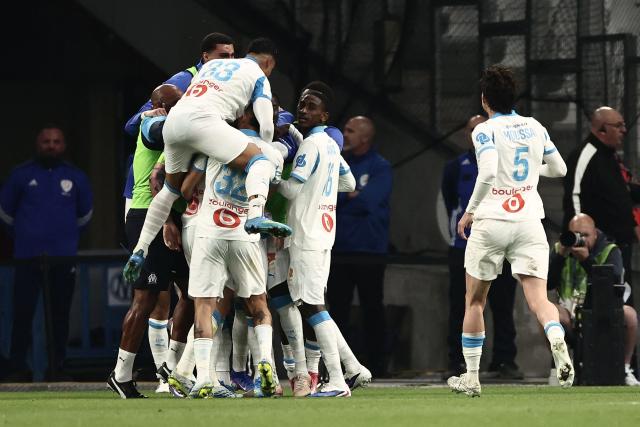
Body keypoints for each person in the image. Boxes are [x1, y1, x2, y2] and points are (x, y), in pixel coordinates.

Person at [122, 37, 290, 286]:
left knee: (169, 190)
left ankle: (140, 249)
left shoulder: (209, 67)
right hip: (204, 123)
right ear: (268, 62)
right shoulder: (258, 75)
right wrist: (264, 151)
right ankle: (256, 215)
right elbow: (266, 126)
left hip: (175, 122)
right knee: (259, 160)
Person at [448, 65, 571, 397]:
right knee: (538, 299)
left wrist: (469, 212)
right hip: (529, 221)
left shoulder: (485, 130)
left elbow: (487, 173)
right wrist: (529, 175)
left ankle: (471, 377)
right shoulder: (534, 127)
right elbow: (559, 168)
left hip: (491, 222)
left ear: (485, 100)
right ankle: (556, 336)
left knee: (474, 300)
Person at [278, 82, 370, 398]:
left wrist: (267, 175)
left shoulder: (311, 146)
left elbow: (291, 190)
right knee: (314, 304)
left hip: (306, 234)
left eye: (312, 106)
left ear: (325, 114)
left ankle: (338, 380)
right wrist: (324, 192)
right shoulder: (331, 145)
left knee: (314, 306)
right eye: (302, 104)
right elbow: (349, 181)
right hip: (323, 231)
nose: (304, 110)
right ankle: (350, 369)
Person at [107, 84, 191, 399]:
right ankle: (121, 374)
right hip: (148, 215)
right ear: (158, 106)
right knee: (146, 300)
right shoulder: (151, 125)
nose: (181, 107)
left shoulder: (175, 125)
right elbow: (158, 181)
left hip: (173, 215)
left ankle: (172, 369)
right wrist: (168, 222)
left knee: (194, 293)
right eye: (174, 103)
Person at [0, 125, 93, 381]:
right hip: (27, 256)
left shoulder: (76, 177)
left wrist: (63, 238)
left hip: (63, 257)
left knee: (60, 316)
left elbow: (85, 216)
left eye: (56, 141)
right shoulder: (20, 175)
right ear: (37, 144)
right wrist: (25, 236)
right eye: (46, 141)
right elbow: (5, 213)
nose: (51, 146)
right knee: (22, 314)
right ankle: (18, 367)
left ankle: (57, 368)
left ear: (63, 146)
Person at [441, 114, 523, 380]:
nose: (475, 133)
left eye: (480, 129)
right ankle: (457, 363)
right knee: (460, 305)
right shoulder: (455, 167)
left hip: (501, 244)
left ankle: (504, 361)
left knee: (502, 305)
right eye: (471, 129)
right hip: (463, 247)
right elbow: (450, 199)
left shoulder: (506, 164)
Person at [122, 32, 235, 218]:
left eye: (232, 56)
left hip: (184, 190)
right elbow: (131, 126)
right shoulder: (183, 81)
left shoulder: (225, 85)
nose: (229, 62)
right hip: (148, 193)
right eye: (223, 56)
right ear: (206, 57)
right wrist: (147, 115)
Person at [326, 115, 392, 378]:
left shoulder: (380, 166)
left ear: (365, 137)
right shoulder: (338, 164)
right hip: (339, 248)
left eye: (350, 130)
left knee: (372, 308)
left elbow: (369, 202)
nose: (346, 134)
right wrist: (349, 195)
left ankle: (377, 365)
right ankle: (339, 366)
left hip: (370, 250)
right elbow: (328, 197)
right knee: (337, 310)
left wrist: (346, 199)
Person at [548, 213, 639, 386]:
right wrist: (560, 256)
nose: (579, 239)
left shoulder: (610, 250)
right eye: (575, 234)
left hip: (602, 307)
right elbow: (548, 284)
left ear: (595, 233)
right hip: (569, 309)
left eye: (585, 235)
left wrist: (587, 260)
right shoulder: (561, 248)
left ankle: (625, 368)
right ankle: (560, 366)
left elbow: (613, 281)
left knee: (630, 315)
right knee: (547, 312)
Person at [563, 106, 640, 288]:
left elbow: (621, 195)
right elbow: (573, 196)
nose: (624, 130)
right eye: (618, 125)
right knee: (600, 299)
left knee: (622, 300)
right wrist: (580, 236)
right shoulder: (585, 155)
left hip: (621, 245)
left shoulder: (610, 156)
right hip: (597, 248)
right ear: (602, 129)